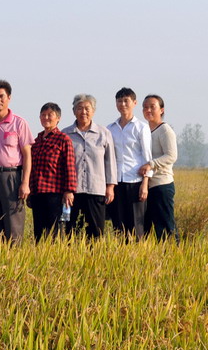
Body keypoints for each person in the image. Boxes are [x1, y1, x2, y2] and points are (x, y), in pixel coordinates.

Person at [0, 79, 33, 243]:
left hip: (12, 177)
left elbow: (27, 155)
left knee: (13, 223)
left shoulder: (19, 123)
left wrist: (25, 183)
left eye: (1, 96)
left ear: (9, 97)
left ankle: (14, 257)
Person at [62, 94, 117, 239]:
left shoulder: (103, 133)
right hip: (73, 191)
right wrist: (65, 189)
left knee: (96, 231)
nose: (83, 112)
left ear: (93, 111)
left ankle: (95, 254)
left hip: (96, 189)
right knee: (72, 231)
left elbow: (110, 161)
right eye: (79, 108)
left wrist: (110, 187)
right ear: (74, 111)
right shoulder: (65, 134)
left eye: (87, 108)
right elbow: (61, 165)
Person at [107, 87, 152, 241]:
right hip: (116, 182)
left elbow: (147, 158)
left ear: (134, 103)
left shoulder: (141, 127)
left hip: (135, 181)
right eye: (119, 101)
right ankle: (121, 254)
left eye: (126, 101)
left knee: (136, 225)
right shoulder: (110, 129)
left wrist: (145, 183)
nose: (123, 104)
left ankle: (138, 253)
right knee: (118, 225)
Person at [28, 103, 77, 242]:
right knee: (39, 231)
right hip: (37, 192)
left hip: (54, 193)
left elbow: (70, 166)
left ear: (58, 118)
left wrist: (69, 190)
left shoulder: (63, 139)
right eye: (43, 115)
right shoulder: (36, 141)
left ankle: (54, 254)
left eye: (50, 115)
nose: (46, 118)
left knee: (54, 230)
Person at [139, 95, 179, 241]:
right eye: (145, 107)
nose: (148, 110)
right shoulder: (145, 130)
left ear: (161, 110)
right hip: (148, 185)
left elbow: (171, 155)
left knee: (165, 227)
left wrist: (151, 164)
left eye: (152, 107)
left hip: (162, 184)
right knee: (147, 228)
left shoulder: (165, 130)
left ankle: (174, 252)